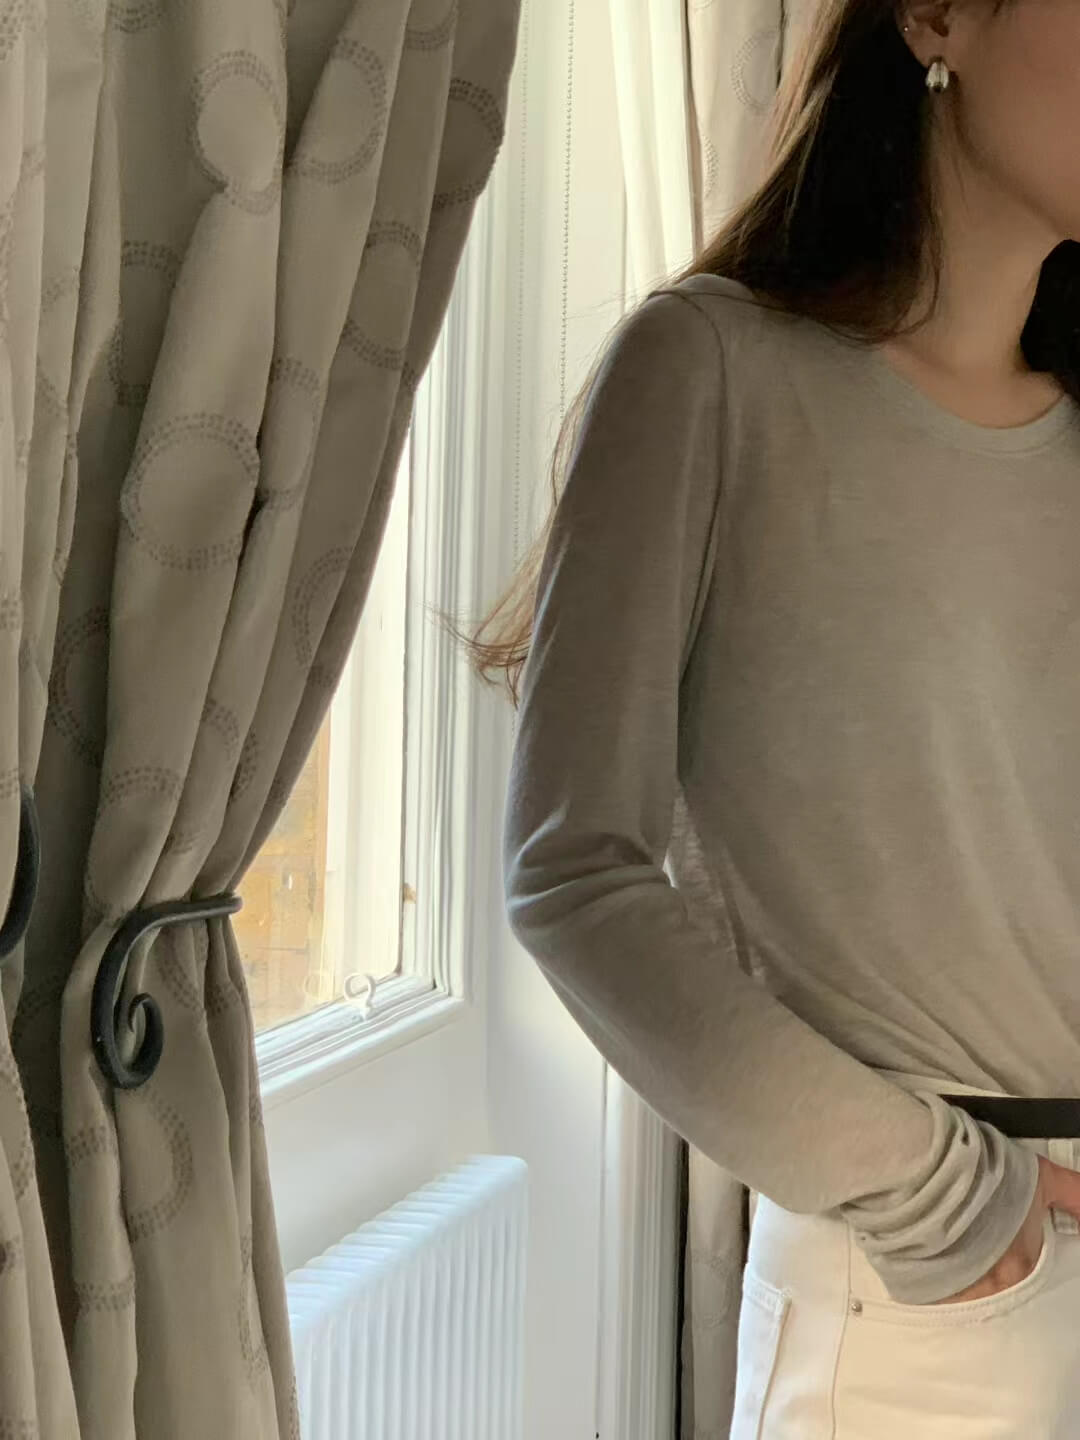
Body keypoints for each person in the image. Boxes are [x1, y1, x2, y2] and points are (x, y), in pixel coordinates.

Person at [442, 0, 1080, 1433]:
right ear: (937, 15)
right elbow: (572, 870)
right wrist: (945, 1202)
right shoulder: (710, 370)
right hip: (937, 1304)